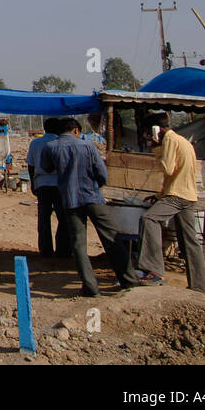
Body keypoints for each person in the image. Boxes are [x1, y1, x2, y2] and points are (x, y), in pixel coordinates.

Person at [41, 117, 138, 296]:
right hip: (93, 197)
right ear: (76, 131)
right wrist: (95, 185)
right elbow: (102, 173)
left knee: (78, 244)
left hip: (70, 201)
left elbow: (46, 168)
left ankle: (90, 286)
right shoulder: (87, 146)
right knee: (111, 239)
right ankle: (129, 281)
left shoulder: (50, 147)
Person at [137, 112, 205, 294]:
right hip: (188, 195)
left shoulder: (169, 140)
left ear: (156, 130)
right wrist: (160, 195)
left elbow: (168, 168)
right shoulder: (183, 141)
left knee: (149, 219)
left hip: (177, 196)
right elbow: (177, 173)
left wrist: (156, 147)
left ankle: (155, 271)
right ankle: (200, 286)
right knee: (190, 241)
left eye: (149, 132)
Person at [26, 118, 71, 259]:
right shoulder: (62, 144)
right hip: (59, 184)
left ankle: (46, 251)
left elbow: (31, 165)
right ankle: (63, 250)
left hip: (42, 184)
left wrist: (33, 183)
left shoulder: (35, 143)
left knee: (44, 218)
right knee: (63, 218)